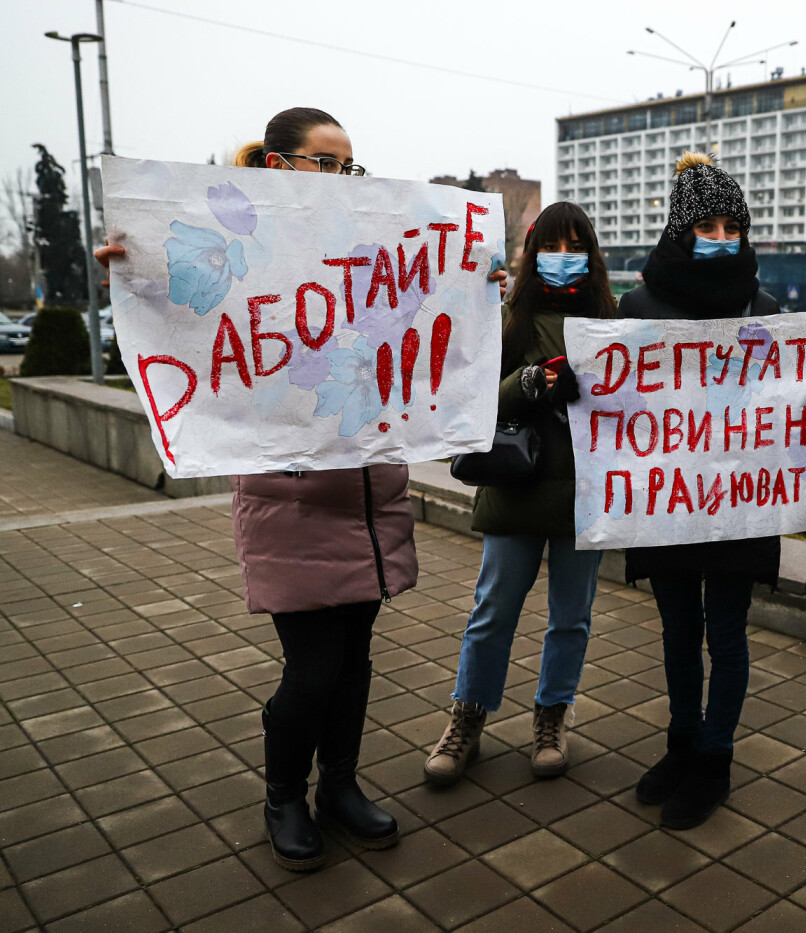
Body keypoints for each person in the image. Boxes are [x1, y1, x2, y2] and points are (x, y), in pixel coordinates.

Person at [97, 106, 507, 872]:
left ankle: (339, 788)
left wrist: (479, 283)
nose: (346, 178)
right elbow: (187, 319)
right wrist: (133, 270)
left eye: (352, 166)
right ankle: (284, 793)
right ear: (282, 166)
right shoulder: (245, 250)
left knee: (354, 666)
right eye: (330, 162)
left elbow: (423, 309)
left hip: (366, 501)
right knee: (313, 669)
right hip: (292, 508)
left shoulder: (359, 244)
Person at [620, 153, 806, 830]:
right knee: (675, 630)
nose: (722, 236)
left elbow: (784, 403)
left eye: (733, 225)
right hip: (664, 500)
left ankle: (715, 757)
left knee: (724, 631)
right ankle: (681, 742)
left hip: (737, 501)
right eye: (708, 225)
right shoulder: (637, 307)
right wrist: (584, 392)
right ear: (678, 229)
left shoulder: (766, 308)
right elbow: (618, 402)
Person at [424, 202, 616, 785]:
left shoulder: (615, 324)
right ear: (533, 256)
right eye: (551, 248)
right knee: (492, 613)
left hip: (588, 499)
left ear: (592, 254)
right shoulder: (507, 318)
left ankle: (552, 717)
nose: (564, 259)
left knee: (571, 619)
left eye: (575, 246)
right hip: (517, 491)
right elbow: (471, 402)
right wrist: (530, 383)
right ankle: (466, 719)